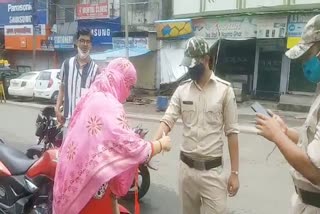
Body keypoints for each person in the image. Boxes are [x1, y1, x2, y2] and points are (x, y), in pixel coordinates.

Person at [53, 58, 172, 214]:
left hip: (77, 184)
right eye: (129, 86)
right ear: (120, 81)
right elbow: (127, 146)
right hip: (90, 192)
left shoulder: (93, 96)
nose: (128, 92)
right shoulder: (108, 104)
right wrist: (161, 144)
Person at [153, 37, 240, 214]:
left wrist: (235, 173)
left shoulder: (225, 91)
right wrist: (151, 146)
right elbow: (168, 119)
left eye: (193, 65)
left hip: (213, 173)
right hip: (186, 172)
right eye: (188, 66)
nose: (190, 69)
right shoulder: (182, 90)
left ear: (206, 59)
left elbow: (232, 133)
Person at [256, 14, 320, 213]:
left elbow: (315, 172)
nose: (303, 64)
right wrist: (284, 131)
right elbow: (311, 141)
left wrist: (276, 136)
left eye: (307, 56)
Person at [55, 28, 100, 137]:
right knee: (67, 153)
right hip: (68, 122)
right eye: (82, 40)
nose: (84, 44)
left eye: (88, 41)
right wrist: (57, 108)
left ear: (91, 45)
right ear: (76, 42)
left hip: (86, 124)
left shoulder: (96, 69)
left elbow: (98, 97)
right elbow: (62, 88)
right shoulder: (66, 64)